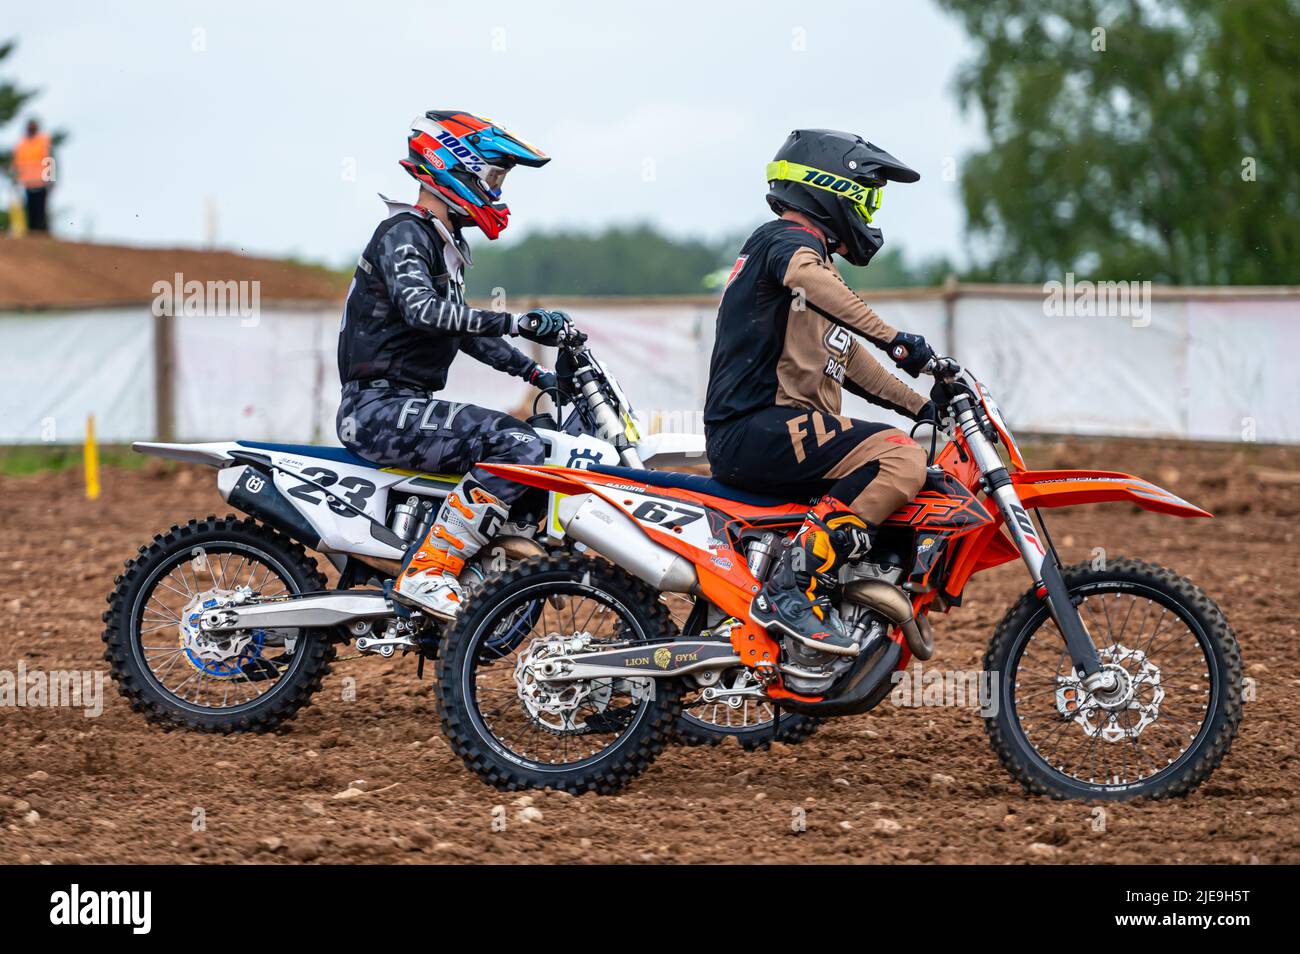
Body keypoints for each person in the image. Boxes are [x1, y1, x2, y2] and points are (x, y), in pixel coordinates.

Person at [704, 128, 939, 657]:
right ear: (830, 188)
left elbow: (847, 358)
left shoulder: (807, 271)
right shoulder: (785, 242)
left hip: (777, 434)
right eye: (867, 194)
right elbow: (812, 281)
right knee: (900, 456)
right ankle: (795, 585)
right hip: (757, 429)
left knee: (914, 464)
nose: (871, 209)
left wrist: (924, 404)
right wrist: (895, 338)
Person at [336, 109, 570, 619]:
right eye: (493, 175)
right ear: (452, 166)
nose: (497, 189)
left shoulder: (444, 242)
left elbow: (457, 329)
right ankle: (430, 569)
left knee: (532, 440)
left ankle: (472, 560)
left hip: (400, 404)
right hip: (377, 408)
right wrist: (516, 324)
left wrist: (536, 375)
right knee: (515, 442)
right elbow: (423, 310)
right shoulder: (405, 231)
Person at [13, 118, 52, 233]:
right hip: (27, 183)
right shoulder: (21, 145)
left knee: (40, 209)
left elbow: (49, 159)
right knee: (30, 209)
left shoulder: (43, 142)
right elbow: (17, 163)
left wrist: (52, 179)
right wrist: (16, 179)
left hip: (41, 182)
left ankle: (42, 232)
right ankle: (32, 233)